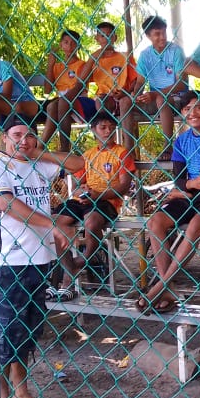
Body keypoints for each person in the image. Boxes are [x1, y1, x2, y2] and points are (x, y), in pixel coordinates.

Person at [0, 113, 84, 398]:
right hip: (9, 260)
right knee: (7, 335)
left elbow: (76, 162)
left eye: (29, 134)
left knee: (28, 332)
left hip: (39, 258)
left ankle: (21, 392)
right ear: (3, 137)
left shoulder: (38, 162)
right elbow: (7, 204)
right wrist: (53, 225)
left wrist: (36, 151)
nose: (23, 140)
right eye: (16, 134)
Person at [140, 91, 200, 313]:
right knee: (155, 222)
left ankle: (159, 287)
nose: (193, 113)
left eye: (198, 107)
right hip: (191, 194)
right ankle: (168, 287)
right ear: (182, 114)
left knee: (194, 226)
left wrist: (190, 186)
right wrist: (190, 186)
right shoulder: (182, 140)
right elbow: (179, 177)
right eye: (187, 109)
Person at [55, 111, 135, 286]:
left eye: (111, 128)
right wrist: (81, 192)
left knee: (91, 222)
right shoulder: (88, 154)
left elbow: (123, 186)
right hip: (85, 198)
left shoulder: (122, 153)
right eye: (103, 127)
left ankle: (83, 262)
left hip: (107, 200)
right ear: (93, 130)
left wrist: (98, 195)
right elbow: (75, 185)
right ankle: (69, 267)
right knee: (55, 222)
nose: (107, 131)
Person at [78, 22, 144, 147]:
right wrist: (93, 57)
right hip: (104, 97)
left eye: (109, 35)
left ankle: (129, 147)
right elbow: (82, 79)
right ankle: (105, 144)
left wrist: (125, 92)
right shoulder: (95, 60)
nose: (106, 38)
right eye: (102, 36)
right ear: (96, 39)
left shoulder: (125, 57)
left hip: (123, 95)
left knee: (125, 102)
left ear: (115, 37)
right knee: (101, 101)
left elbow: (135, 80)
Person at [135, 15, 187, 156]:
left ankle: (168, 144)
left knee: (161, 98)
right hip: (155, 99)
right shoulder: (145, 55)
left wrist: (156, 93)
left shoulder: (175, 51)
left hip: (177, 98)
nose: (162, 37)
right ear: (148, 36)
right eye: (157, 34)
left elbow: (181, 83)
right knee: (126, 102)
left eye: (164, 32)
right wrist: (136, 95)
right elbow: (140, 81)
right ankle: (129, 149)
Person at [41, 29, 92, 152]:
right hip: (60, 104)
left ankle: (64, 148)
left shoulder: (82, 65)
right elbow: (47, 90)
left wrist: (65, 98)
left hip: (78, 100)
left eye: (73, 43)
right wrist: (50, 64)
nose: (70, 46)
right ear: (61, 45)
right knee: (51, 107)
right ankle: (41, 145)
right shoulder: (58, 67)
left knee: (61, 103)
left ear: (78, 46)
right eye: (66, 42)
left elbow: (80, 87)